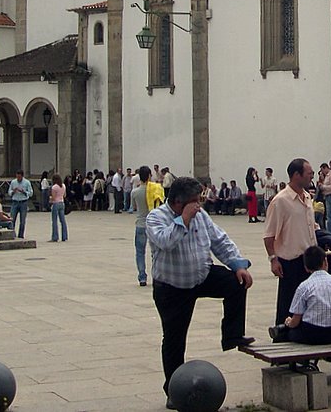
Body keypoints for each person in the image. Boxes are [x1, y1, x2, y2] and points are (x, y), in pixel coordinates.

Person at [147, 176, 254, 405]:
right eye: (194, 201)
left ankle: (232, 335)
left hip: (201, 276)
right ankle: (173, 391)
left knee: (236, 284)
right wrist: (183, 220)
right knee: (174, 340)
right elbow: (166, 242)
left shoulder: (201, 216)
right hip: (172, 287)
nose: (199, 205)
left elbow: (219, 240)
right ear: (178, 202)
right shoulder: (156, 218)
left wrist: (237, 264)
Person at [263, 158, 318, 325]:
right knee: (288, 305)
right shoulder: (280, 201)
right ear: (296, 175)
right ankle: (282, 337)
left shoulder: (307, 197)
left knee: (309, 305)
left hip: (309, 261)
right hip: (290, 262)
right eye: (309, 174)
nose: (312, 177)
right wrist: (273, 259)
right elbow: (269, 235)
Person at [270, 245, 331, 346]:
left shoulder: (304, 286)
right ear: (325, 262)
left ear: (306, 267)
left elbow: (296, 320)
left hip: (312, 334)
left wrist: (289, 323)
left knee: (289, 333)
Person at [131, 166, 157, 285]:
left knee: (140, 252)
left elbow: (134, 207)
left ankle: (142, 276)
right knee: (155, 252)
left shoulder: (135, 192)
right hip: (153, 224)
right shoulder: (154, 190)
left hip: (140, 223)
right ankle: (156, 275)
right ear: (149, 176)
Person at [49, 175, 68, 242]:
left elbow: (53, 197)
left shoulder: (54, 187)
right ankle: (64, 236)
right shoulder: (63, 185)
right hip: (62, 203)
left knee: (54, 221)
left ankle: (55, 237)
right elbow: (64, 195)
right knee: (63, 221)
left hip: (56, 203)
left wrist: (50, 200)